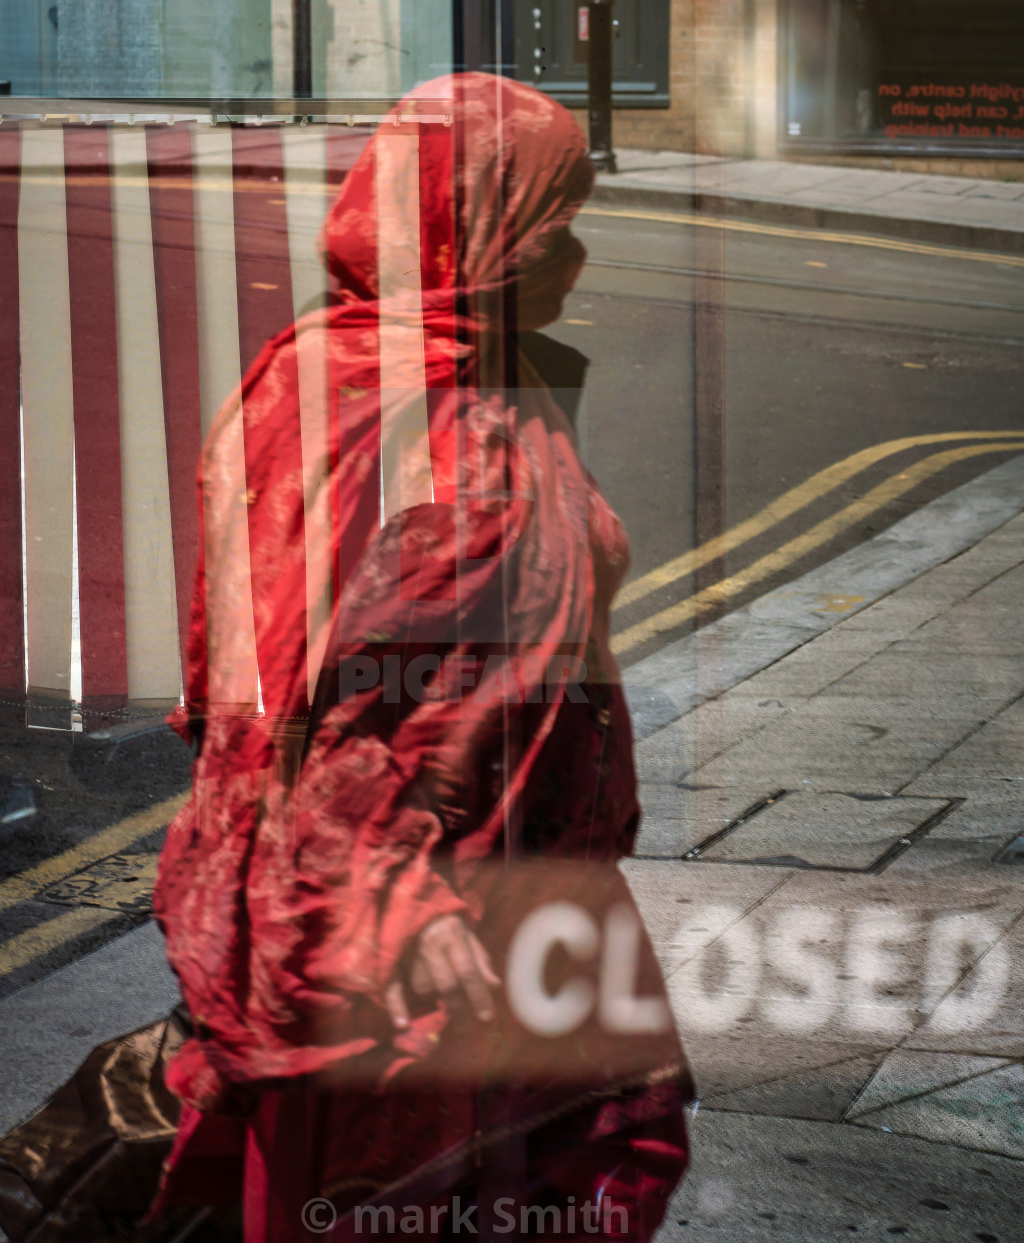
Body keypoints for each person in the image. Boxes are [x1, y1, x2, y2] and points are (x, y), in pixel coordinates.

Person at [153, 73, 691, 1241]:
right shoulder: (403, 413)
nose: (578, 257)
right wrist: (401, 913)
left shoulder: (428, 374)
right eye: (554, 227)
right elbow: (326, 702)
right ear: (470, 232)